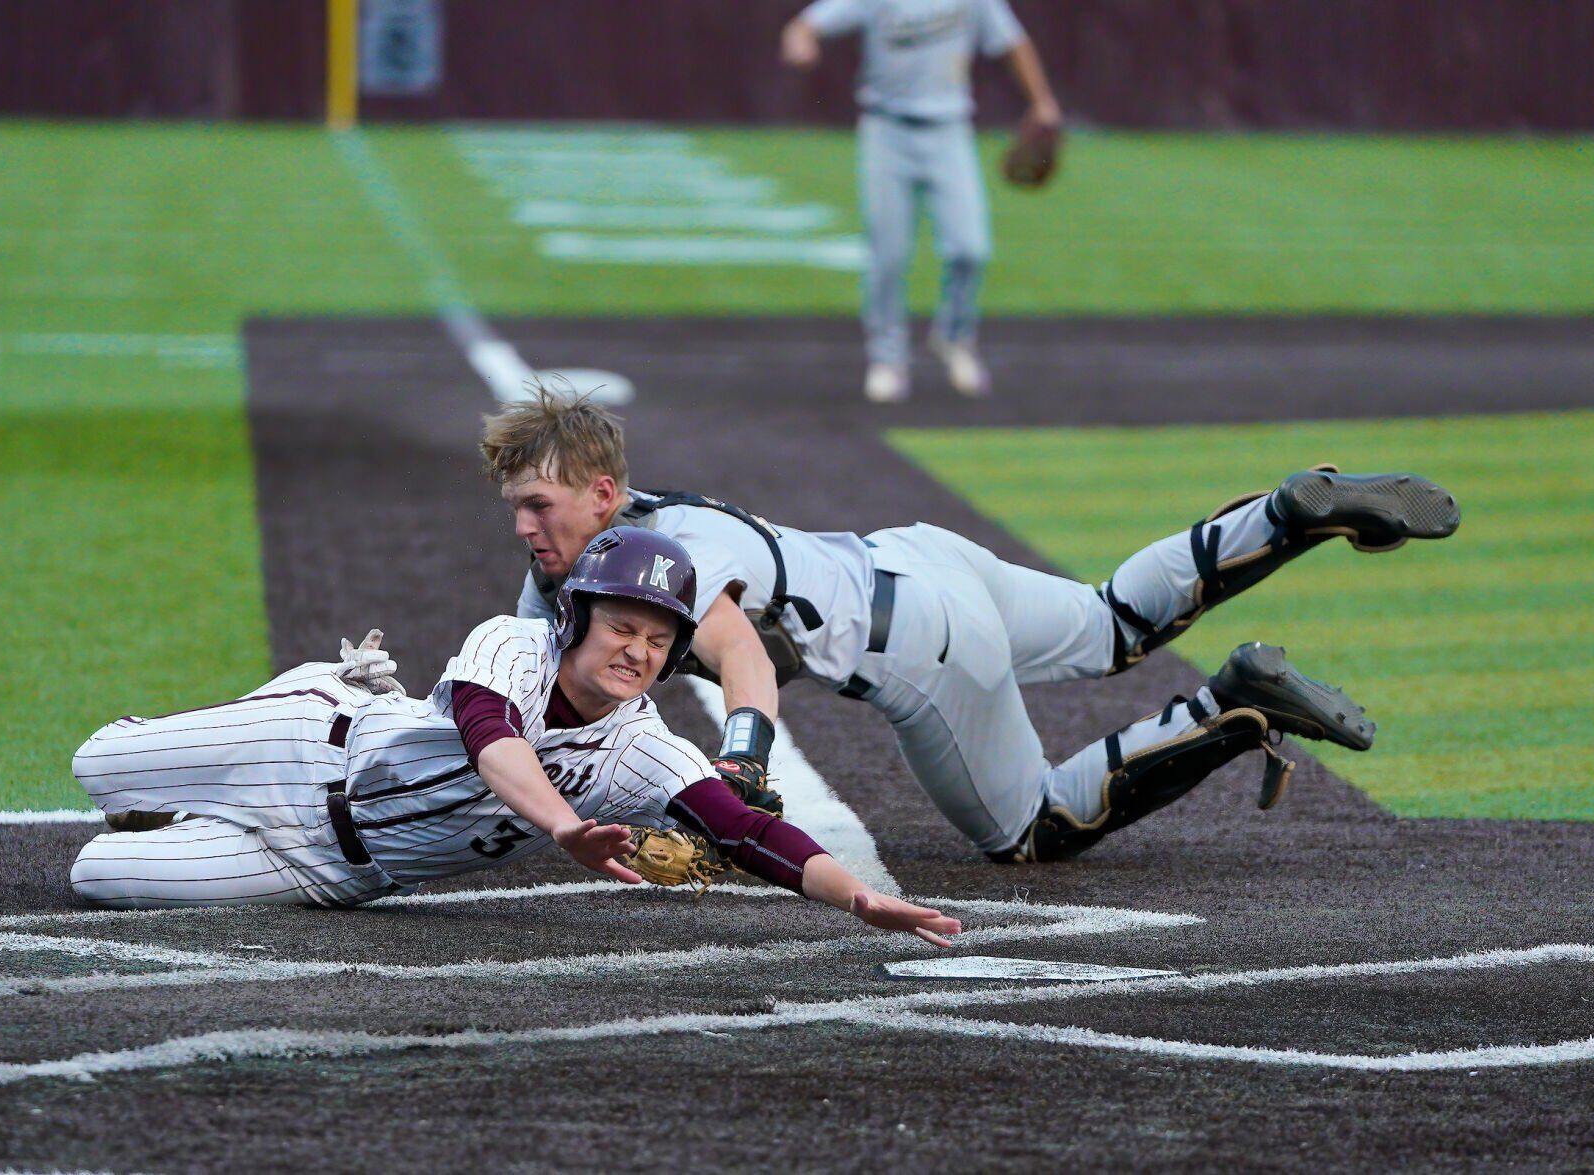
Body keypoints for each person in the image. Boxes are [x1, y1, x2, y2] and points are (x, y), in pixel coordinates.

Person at [481, 390, 1462, 862]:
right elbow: (536, 669)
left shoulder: (667, 558)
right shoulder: (607, 551)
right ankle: (1283, 515)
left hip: (921, 652)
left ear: (602, 492)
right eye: (516, 506)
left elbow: (736, 649)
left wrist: (740, 761)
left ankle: (1233, 704)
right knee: (1111, 619)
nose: (524, 525)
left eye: (538, 505)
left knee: (1029, 831)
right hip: (918, 556)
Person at [67, 528, 961, 947]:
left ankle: (188, 827)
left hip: (331, 870)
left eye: (657, 640)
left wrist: (855, 898)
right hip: (301, 743)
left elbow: (743, 828)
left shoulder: (644, 752)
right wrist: (564, 827)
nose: (637, 652)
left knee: (95, 875)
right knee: (95, 764)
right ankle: (324, 681)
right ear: (576, 618)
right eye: (621, 627)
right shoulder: (513, 643)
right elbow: (491, 738)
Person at [780, 0, 1062, 403]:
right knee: (888, 255)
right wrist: (799, 40)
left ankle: (953, 336)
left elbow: (1012, 42)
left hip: (949, 129)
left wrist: (1043, 101)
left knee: (970, 249)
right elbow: (806, 24)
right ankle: (887, 358)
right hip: (886, 129)